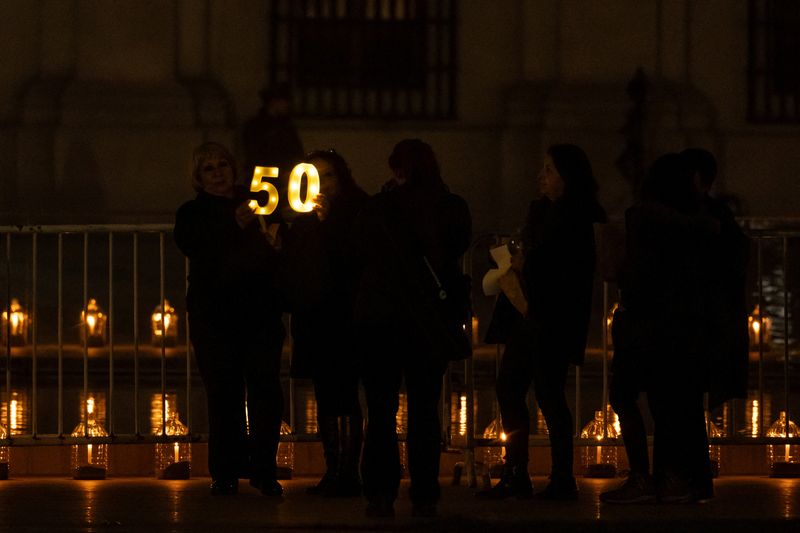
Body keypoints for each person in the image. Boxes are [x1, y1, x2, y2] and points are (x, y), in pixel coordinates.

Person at [478, 144, 606, 501]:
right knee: (511, 386)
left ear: (569, 177)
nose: (542, 177)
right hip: (529, 314)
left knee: (548, 394)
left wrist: (526, 264)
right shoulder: (542, 211)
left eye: (549, 170)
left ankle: (559, 476)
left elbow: (567, 270)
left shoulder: (578, 217)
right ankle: (519, 472)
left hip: (553, 316)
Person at [353, 139, 471, 518]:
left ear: (397, 170)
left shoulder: (379, 208)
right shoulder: (452, 208)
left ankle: (380, 491)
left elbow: (363, 253)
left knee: (381, 410)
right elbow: (455, 252)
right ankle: (424, 493)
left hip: (381, 321)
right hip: (427, 321)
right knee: (424, 410)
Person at [600, 153, 720, 504]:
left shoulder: (643, 218)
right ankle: (680, 479)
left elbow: (635, 272)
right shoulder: (699, 223)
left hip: (644, 321)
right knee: (674, 404)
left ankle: (643, 477)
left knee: (625, 396)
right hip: (682, 327)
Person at [174, 142, 286, 496]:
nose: (219, 172)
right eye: (209, 168)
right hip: (215, 315)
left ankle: (264, 469)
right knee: (223, 395)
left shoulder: (261, 203)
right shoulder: (193, 212)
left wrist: (277, 244)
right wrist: (233, 225)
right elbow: (194, 244)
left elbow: (277, 247)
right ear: (198, 177)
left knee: (266, 392)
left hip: (259, 312)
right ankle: (225, 472)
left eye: (223, 164)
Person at [282, 149, 369, 497]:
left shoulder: (356, 211)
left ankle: (349, 472)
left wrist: (330, 222)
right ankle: (333, 469)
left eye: (328, 175)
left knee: (345, 393)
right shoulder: (304, 220)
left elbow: (355, 258)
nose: (321, 183)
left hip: (346, 315)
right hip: (316, 316)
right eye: (314, 175)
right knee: (325, 395)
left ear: (341, 177)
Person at [242, 83, 304, 220]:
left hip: (282, 183)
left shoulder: (286, 126)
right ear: (274, 102)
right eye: (285, 101)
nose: (288, 105)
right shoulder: (256, 127)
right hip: (264, 182)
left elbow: (297, 152)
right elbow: (253, 154)